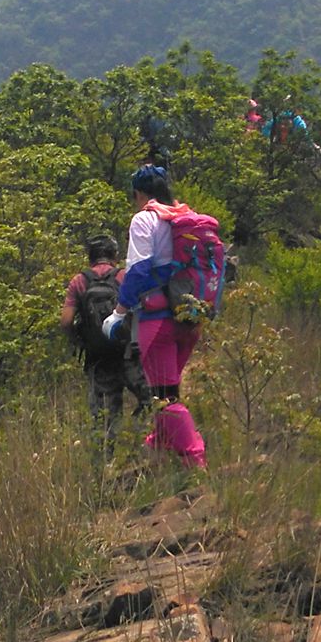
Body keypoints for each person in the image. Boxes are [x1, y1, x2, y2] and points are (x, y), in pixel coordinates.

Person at [107, 162, 208, 467]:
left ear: (138, 193)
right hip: (189, 317)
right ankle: (158, 449)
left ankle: (195, 462)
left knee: (165, 396)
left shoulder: (144, 220)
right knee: (166, 390)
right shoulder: (184, 219)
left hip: (157, 321)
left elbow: (138, 271)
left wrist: (118, 312)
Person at [61, 236, 144, 434]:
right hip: (128, 354)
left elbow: (65, 321)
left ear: (90, 257)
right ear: (114, 255)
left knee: (105, 420)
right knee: (154, 400)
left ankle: (106, 462)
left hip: (98, 359)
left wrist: (78, 341)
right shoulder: (123, 276)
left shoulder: (79, 282)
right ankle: (138, 436)